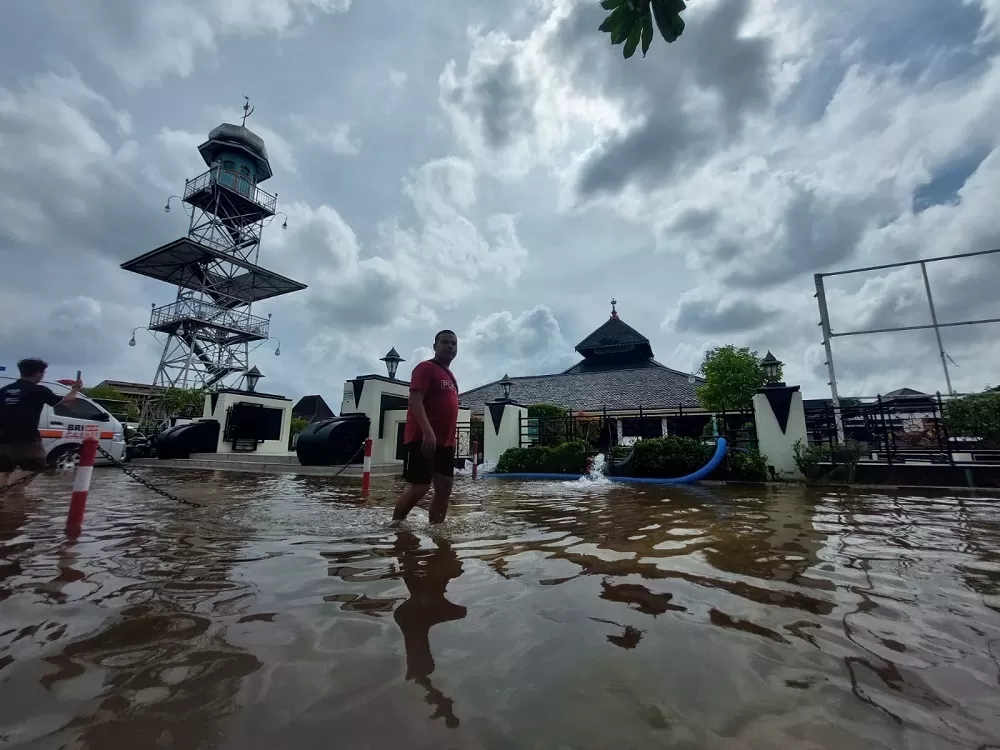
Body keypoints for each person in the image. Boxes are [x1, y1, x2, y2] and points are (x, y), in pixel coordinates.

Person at [392, 330, 460, 524]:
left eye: (453, 344)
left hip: (445, 442)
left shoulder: (450, 376)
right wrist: (427, 431)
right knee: (420, 486)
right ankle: (396, 524)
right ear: (435, 346)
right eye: (445, 342)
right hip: (423, 438)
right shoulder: (425, 368)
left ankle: (436, 529)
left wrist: (450, 439)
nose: (450, 346)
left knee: (445, 487)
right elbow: (415, 400)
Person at [0, 358, 82, 483]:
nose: (43, 376)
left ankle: (4, 497)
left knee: (4, 469)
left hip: (2, 438)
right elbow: (66, 403)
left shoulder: (5, 390)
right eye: (43, 373)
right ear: (38, 372)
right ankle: (15, 494)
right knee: (35, 465)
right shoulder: (38, 390)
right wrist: (75, 389)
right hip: (26, 438)